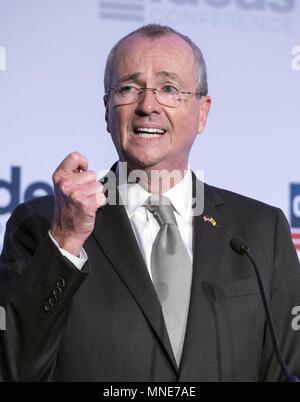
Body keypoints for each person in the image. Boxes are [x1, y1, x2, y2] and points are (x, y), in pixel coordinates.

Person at [0, 24, 300, 382]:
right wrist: (65, 241)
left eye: (169, 89)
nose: (147, 106)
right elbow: (13, 369)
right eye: (128, 88)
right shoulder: (41, 225)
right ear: (107, 108)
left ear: (202, 112)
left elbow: (290, 371)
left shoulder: (262, 231)